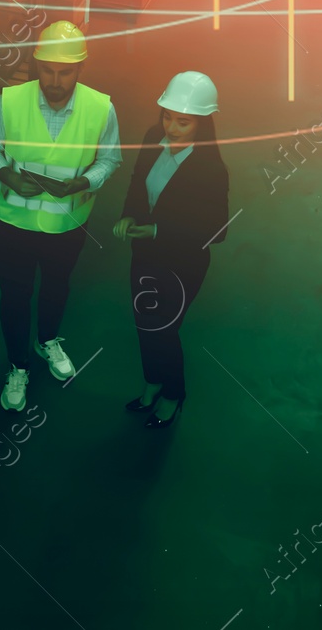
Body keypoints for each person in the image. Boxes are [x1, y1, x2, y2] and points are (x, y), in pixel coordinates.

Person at [0, 21, 121, 412]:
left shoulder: (101, 108)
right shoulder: (10, 100)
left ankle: (48, 341)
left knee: (57, 286)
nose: (55, 81)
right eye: (47, 70)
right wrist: (5, 173)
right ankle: (18, 366)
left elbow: (110, 158)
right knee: (15, 295)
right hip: (14, 222)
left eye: (65, 72)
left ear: (80, 69)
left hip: (67, 224)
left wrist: (84, 182)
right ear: (36, 64)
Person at [115, 71, 229, 429]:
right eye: (168, 116)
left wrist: (158, 230)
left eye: (184, 121)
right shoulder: (153, 138)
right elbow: (137, 183)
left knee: (163, 330)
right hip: (145, 256)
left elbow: (217, 230)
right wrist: (128, 215)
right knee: (144, 324)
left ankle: (174, 393)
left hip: (183, 265)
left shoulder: (211, 170)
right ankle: (153, 382)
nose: (172, 127)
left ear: (202, 122)